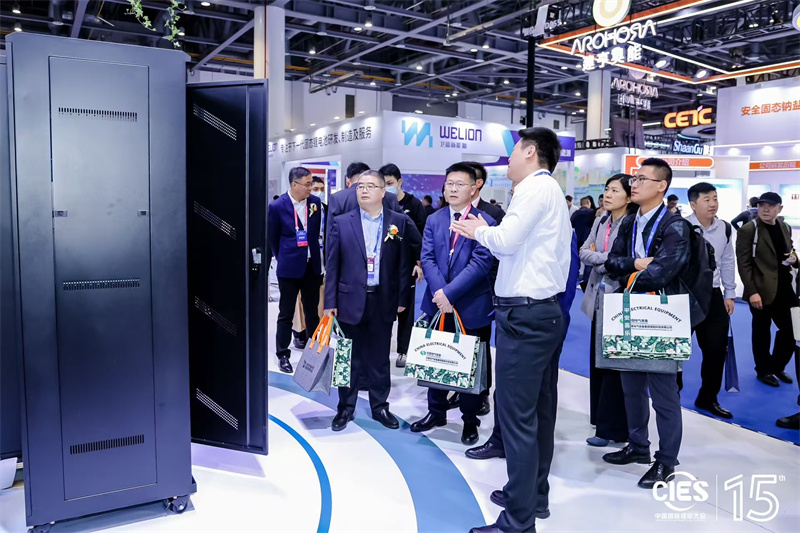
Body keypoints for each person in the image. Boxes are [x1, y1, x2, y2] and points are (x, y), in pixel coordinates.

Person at [452, 127, 571, 533]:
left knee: (518, 417)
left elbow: (505, 240)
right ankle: (533, 497)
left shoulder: (534, 188)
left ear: (531, 152)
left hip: (525, 316)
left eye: (515, 150)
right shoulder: (549, 190)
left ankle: (517, 522)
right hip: (542, 313)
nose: (509, 158)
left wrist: (477, 230)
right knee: (538, 411)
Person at [603, 157, 690, 489]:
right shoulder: (629, 221)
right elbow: (612, 262)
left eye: (642, 179)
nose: (634, 184)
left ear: (661, 186)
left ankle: (666, 461)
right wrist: (636, 264)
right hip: (630, 311)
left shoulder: (675, 226)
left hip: (661, 317)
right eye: (634, 178)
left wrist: (629, 270)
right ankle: (638, 445)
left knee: (664, 394)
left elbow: (663, 272)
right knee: (631, 387)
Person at [324, 170, 418, 431]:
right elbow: (332, 265)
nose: (363, 190)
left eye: (370, 186)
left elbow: (403, 264)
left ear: (383, 192)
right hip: (348, 300)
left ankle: (380, 407)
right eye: (360, 186)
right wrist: (329, 302)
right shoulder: (342, 222)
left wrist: (401, 298)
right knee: (348, 358)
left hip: (383, 299)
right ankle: (345, 408)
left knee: (379, 358)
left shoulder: (397, 222)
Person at [410, 162, 496, 444]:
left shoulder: (484, 222)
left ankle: (469, 420)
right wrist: (440, 293)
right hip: (438, 304)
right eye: (449, 184)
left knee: (470, 367)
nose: (453, 189)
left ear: (474, 188)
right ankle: (436, 412)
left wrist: (450, 294)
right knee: (436, 358)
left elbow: (481, 263)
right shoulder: (434, 219)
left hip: (470, 305)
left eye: (460, 184)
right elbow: (428, 258)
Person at [580, 174, 634, 447]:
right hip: (598, 299)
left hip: (620, 300)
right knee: (598, 363)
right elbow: (583, 251)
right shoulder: (601, 220)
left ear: (629, 196)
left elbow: (626, 261)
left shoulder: (632, 224)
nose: (608, 195)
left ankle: (613, 429)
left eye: (615, 190)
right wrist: (606, 259)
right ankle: (600, 419)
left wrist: (600, 258)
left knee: (614, 365)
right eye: (607, 190)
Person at [735, 192, 798, 388]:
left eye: (771, 206)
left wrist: (794, 258)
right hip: (760, 289)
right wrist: (752, 291)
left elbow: (790, 249)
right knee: (762, 332)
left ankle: (777, 366)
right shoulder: (749, 230)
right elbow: (744, 263)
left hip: (785, 287)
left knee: (792, 331)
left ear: (779, 208)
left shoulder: (785, 227)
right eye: (762, 205)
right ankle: (763, 370)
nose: (765, 209)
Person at [686, 182, 736, 419]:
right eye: (706, 199)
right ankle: (670, 394)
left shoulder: (724, 228)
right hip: (685, 295)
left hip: (714, 296)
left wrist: (729, 293)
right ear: (693, 204)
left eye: (715, 198)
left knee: (716, 350)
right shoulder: (681, 227)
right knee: (675, 350)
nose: (713, 204)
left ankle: (708, 397)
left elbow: (728, 260)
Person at [268, 167, 324, 374]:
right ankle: (282, 354)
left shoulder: (315, 203)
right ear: (294, 184)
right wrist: (283, 258)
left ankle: (314, 354)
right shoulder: (277, 206)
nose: (311, 188)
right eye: (308, 184)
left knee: (312, 313)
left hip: (312, 266)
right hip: (289, 268)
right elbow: (273, 238)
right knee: (286, 313)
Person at [380, 163, 426, 368]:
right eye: (383, 184)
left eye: (390, 183)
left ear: (399, 182)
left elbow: (421, 237)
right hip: (385, 265)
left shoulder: (414, 205)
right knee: (384, 308)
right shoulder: (380, 204)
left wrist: (419, 262)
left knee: (406, 311)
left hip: (407, 266)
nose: (387, 187)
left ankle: (403, 351)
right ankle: (382, 347)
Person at [327, 162, 402, 235]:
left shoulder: (337, 198)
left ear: (347, 180)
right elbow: (403, 227)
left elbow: (331, 233)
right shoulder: (390, 197)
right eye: (361, 187)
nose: (364, 191)